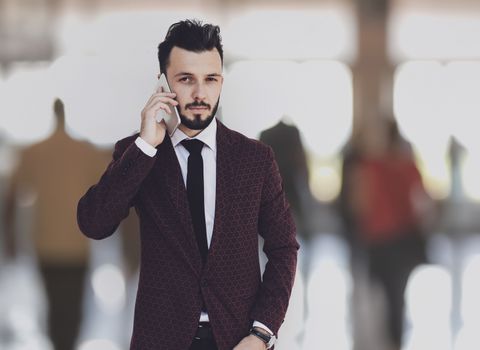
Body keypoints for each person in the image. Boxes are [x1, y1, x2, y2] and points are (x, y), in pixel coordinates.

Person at [77, 19, 299, 350]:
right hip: (160, 339)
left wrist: (262, 333)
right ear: (163, 83)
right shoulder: (137, 153)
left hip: (238, 340)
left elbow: (283, 248)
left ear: (221, 82)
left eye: (210, 79)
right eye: (185, 79)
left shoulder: (255, 159)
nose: (199, 93)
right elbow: (94, 223)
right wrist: (146, 145)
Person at [3, 98, 109, 350]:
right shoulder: (86, 153)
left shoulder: (35, 152)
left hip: (46, 243)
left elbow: (11, 197)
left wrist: (10, 239)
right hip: (77, 244)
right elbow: (110, 194)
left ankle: (59, 343)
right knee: (73, 305)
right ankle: (67, 343)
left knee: (53, 303)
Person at [350, 118, 432, 350]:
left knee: (380, 295)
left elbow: (359, 204)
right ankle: (394, 340)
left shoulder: (369, 167)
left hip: (380, 240)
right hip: (404, 239)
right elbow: (424, 202)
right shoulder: (408, 163)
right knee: (397, 295)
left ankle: (385, 340)